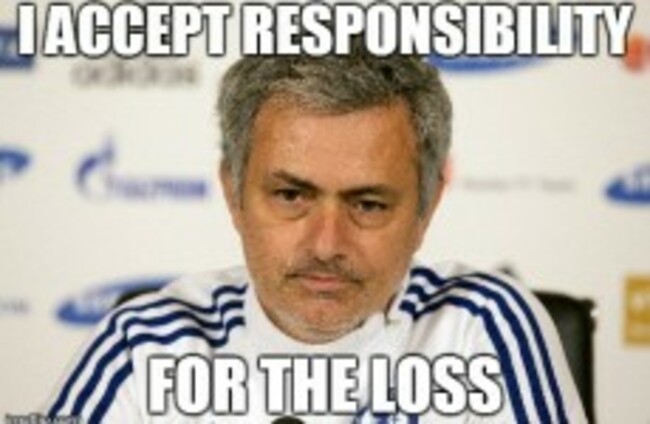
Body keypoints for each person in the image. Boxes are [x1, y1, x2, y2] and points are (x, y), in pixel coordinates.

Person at [45, 41, 587, 423]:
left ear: (427, 208)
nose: (327, 244)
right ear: (233, 193)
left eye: (368, 205)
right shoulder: (142, 347)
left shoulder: (482, 329)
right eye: (291, 196)